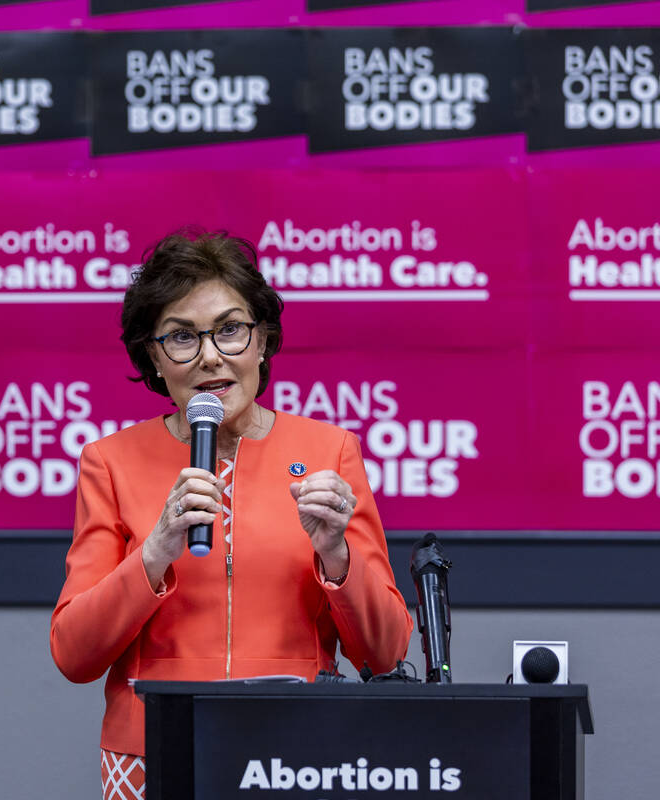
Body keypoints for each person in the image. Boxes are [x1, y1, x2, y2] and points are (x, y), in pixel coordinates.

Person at [50, 229, 413, 800]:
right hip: (153, 756)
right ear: (154, 357)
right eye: (181, 338)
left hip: (297, 755)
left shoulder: (330, 452)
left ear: (263, 341)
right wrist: (154, 553)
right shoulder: (110, 463)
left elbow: (387, 651)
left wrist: (337, 555)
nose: (212, 356)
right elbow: (74, 653)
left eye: (230, 329)